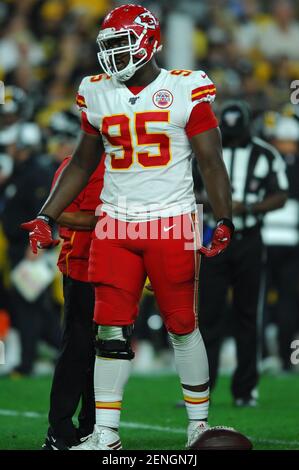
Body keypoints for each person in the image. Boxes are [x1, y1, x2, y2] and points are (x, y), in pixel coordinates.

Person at [21, 4, 234, 450]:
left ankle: (197, 424)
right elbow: (82, 162)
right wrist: (46, 213)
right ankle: (104, 433)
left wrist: (224, 217)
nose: (114, 56)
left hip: (171, 220)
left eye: (123, 44)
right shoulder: (96, 92)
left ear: (150, 43)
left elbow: (211, 162)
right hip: (116, 224)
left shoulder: (185, 86)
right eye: (109, 46)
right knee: (109, 330)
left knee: (181, 323)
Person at [193, 101, 288, 405]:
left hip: (248, 238)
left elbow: (280, 195)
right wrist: (212, 204)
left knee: (248, 313)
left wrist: (249, 207)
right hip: (211, 237)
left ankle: (245, 389)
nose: (232, 138)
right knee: (207, 314)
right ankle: (200, 391)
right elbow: (187, 191)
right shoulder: (205, 152)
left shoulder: (265, 154)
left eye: (237, 132)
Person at [42, 155, 105, 450]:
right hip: (82, 266)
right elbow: (57, 213)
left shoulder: (131, 161)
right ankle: (60, 429)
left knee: (110, 351)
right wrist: (109, 222)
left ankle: (96, 428)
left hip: (122, 270)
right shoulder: (77, 163)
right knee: (78, 348)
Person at [262, 116, 299, 371]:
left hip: (265, 237)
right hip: (292, 239)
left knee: (260, 299)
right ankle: (286, 358)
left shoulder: (265, 160)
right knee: (288, 300)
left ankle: (263, 355)